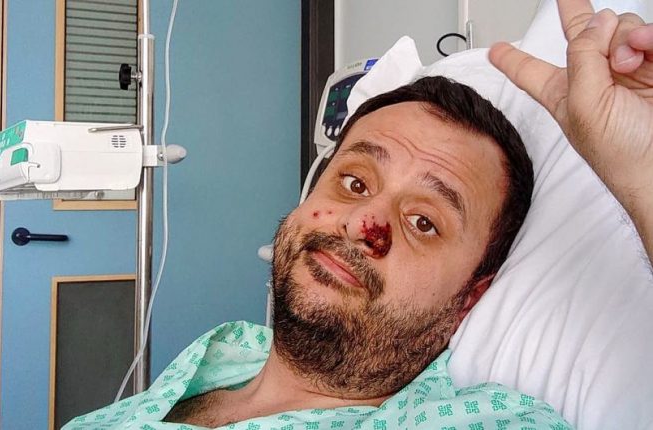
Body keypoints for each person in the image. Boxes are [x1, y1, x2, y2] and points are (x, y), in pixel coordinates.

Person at [64, 1, 653, 428]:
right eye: (354, 182)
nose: (361, 224)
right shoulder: (224, 355)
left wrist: (644, 171)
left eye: (424, 222)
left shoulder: (476, 421)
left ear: (470, 296)